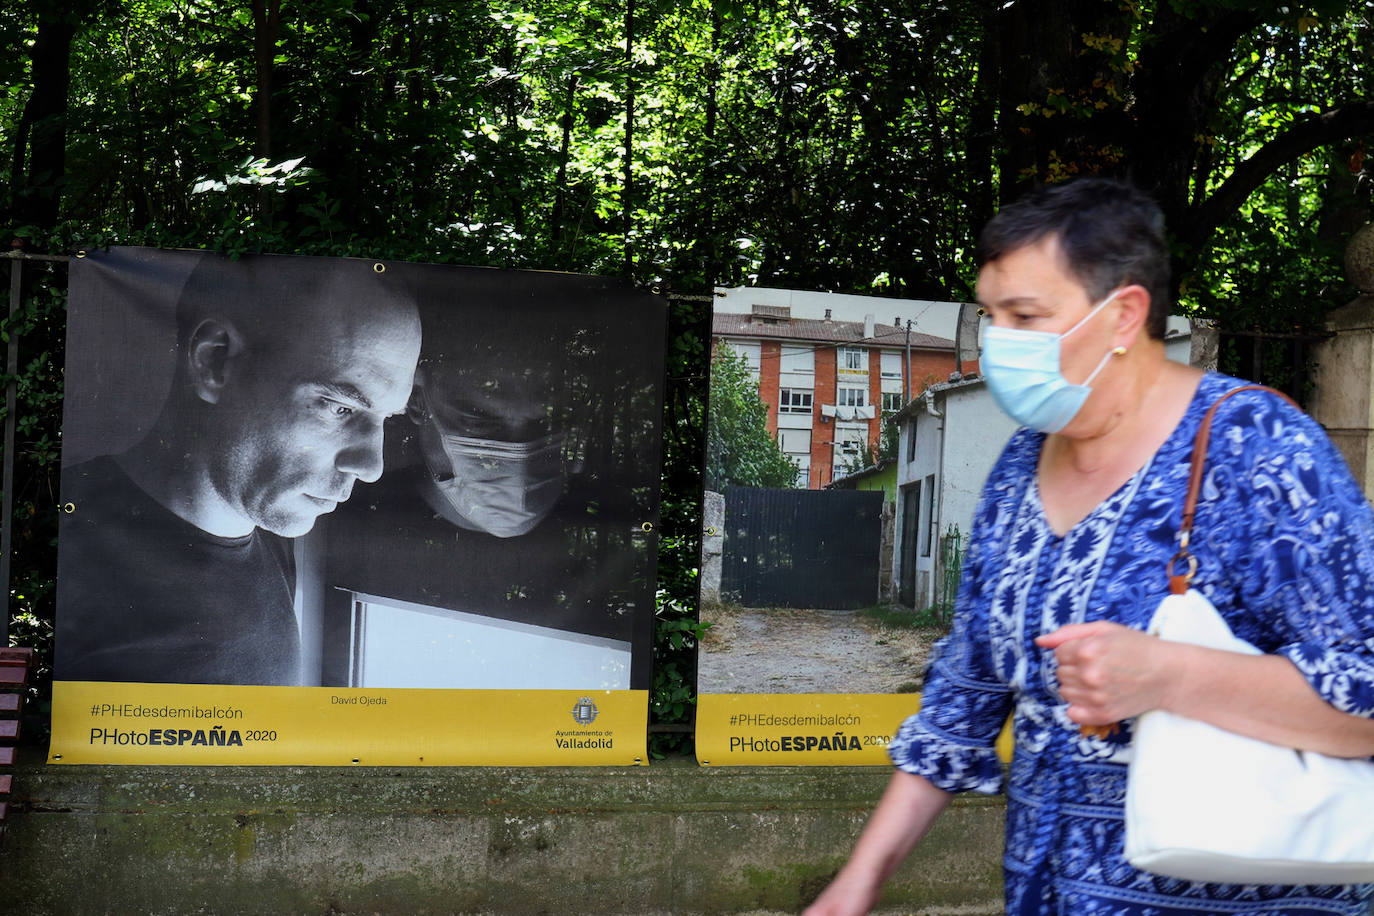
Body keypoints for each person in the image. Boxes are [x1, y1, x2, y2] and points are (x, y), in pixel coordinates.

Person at [804, 178, 1374, 915]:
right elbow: (962, 699)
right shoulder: (1018, 466)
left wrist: (1173, 676)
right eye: (991, 316)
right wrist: (860, 881)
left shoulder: (1258, 449)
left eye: (1026, 315)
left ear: (1124, 315)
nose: (996, 340)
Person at [54, 252, 423, 686]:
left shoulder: (266, 519)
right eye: (338, 406)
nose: (372, 466)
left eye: (387, 418)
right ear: (215, 361)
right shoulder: (69, 563)